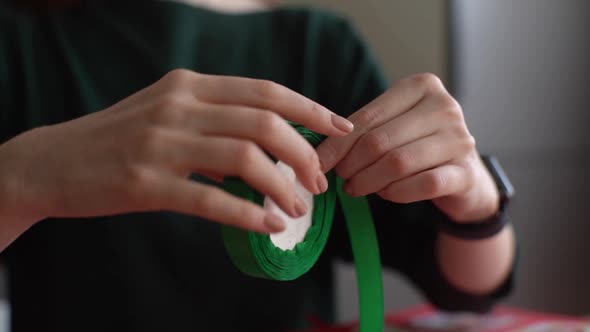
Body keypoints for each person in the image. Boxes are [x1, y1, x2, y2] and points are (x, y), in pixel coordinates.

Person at [0, 0, 517, 331]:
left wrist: (475, 198)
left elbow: (467, 287)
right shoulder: (21, 46)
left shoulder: (319, 48)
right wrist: (21, 177)